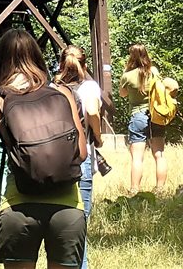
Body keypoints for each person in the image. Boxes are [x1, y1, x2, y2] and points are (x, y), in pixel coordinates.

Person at [0, 28, 87, 268]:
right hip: (68, 208)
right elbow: (83, 152)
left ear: (1, 61)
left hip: (18, 208)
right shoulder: (63, 92)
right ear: (37, 56)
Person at [56, 45, 104, 269]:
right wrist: (98, 136)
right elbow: (93, 112)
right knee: (80, 224)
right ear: (85, 64)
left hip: (55, 162)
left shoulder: (53, 87)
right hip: (81, 160)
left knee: (60, 224)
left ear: (59, 64)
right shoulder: (90, 87)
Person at [118, 43, 168, 194]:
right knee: (159, 154)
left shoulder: (127, 76)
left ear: (130, 57)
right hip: (156, 115)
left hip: (138, 116)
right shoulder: (154, 72)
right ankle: (160, 189)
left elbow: (122, 94)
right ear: (146, 55)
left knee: (137, 157)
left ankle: (134, 190)